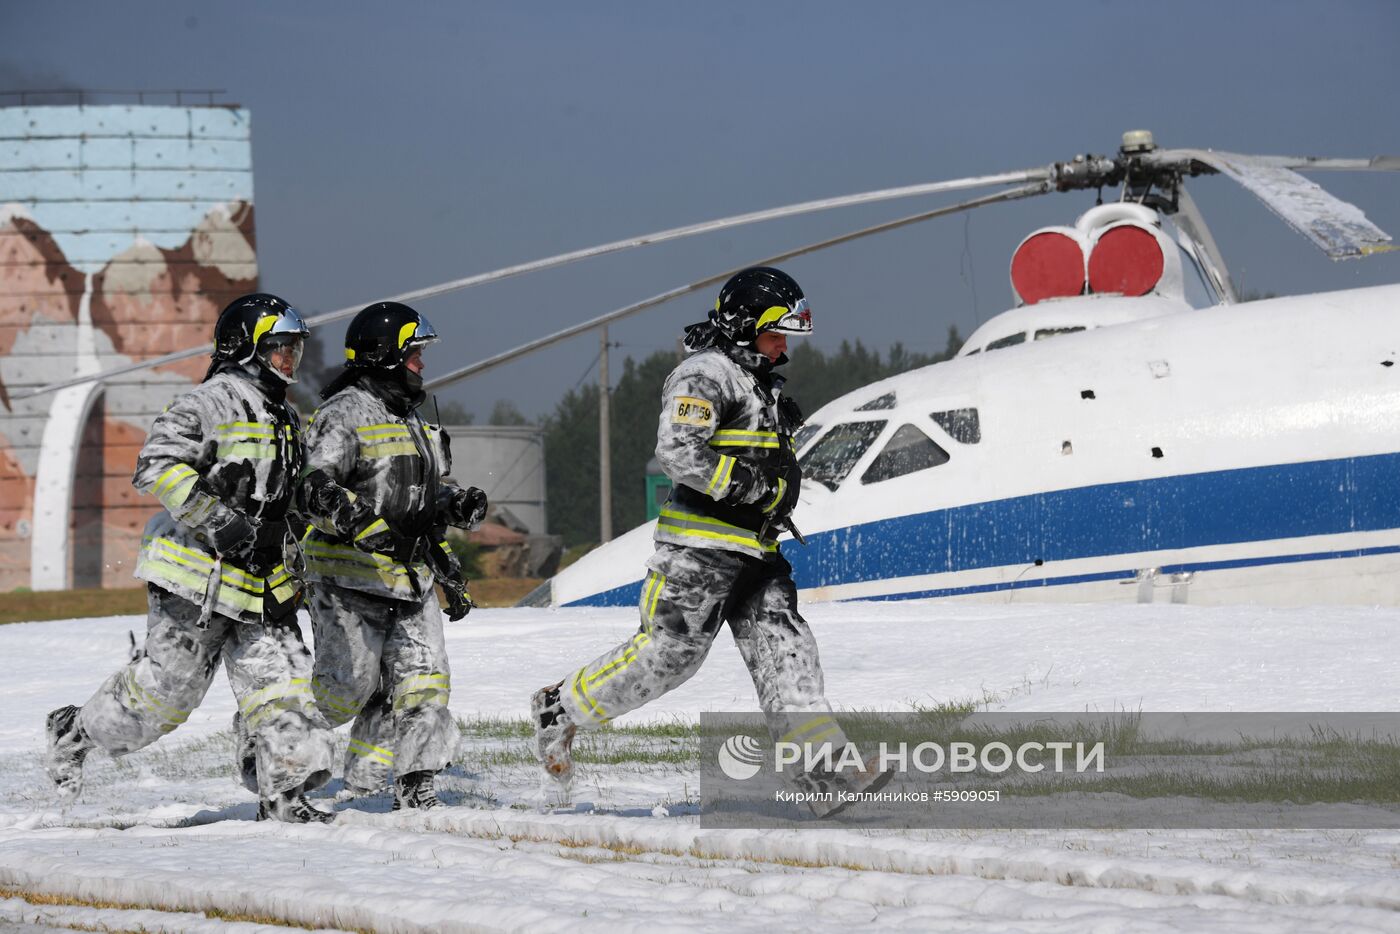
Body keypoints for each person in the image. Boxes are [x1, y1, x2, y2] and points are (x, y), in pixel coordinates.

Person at [530, 266, 887, 815]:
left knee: (788, 650)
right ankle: (560, 710)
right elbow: (679, 451)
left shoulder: (759, 382)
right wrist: (749, 486)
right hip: (699, 550)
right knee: (670, 657)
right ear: (744, 325)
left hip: (759, 552)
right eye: (775, 333)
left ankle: (825, 775)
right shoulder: (704, 375)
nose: (782, 346)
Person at [44, 293, 336, 823]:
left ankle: (285, 797)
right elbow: (156, 465)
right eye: (277, 346)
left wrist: (320, 504)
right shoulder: (208, 402)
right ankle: (74, 731)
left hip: (263, 584)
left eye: (294, 346)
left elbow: (288, 496)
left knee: (285, 689)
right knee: (164, 700)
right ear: (244, 347)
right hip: (194, 581)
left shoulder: (288, 417)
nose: (289, 357)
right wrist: (217, 517)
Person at [298, 301, 487, 810]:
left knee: (425, 684)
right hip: (348, 580)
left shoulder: (412, 416)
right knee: (346, 692)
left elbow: (419, 495)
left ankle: (415, 783)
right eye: (414, 354)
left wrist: (455, 504)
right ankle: (270, 736)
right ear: (385, 356)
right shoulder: (342, 414)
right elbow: (314, 489)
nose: (422, 364)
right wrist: (365, 526)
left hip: (412, 580)